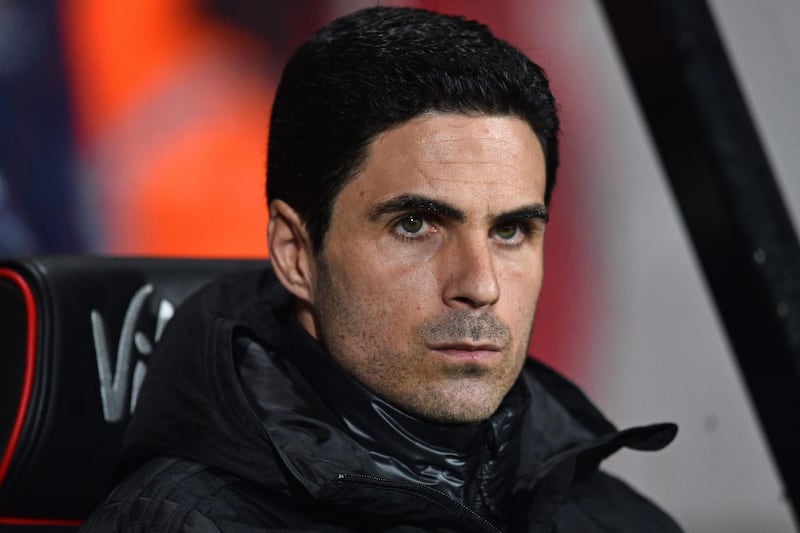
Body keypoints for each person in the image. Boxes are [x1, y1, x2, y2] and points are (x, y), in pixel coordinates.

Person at [82, 6, 682, 532]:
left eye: (509, 230)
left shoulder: (620, 520)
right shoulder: (179, 522)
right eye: (416, 226)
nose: (480, 285)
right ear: (295, 254)